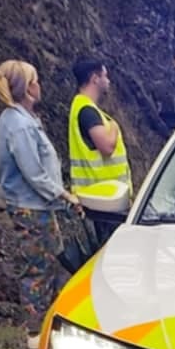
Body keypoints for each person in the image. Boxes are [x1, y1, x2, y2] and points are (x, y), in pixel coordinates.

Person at [0, 59, 80, 344]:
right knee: (37, 267)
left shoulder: (21, 120)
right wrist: (64, 195)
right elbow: (33, 172)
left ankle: (50, 324)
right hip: (31, 208)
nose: (40, 85)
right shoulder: (19, 125)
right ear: (28, 87)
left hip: (40, 206)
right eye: (35, 80)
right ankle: (34, 332)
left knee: (52, 261)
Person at [66, 54, 131, 247]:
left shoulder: (84, 107)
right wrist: (114, 128)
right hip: (102, 199)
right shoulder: (87, 111)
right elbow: (106, 147)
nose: (108, 80)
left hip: (103, 197)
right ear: (95, 78)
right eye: (105, 76)